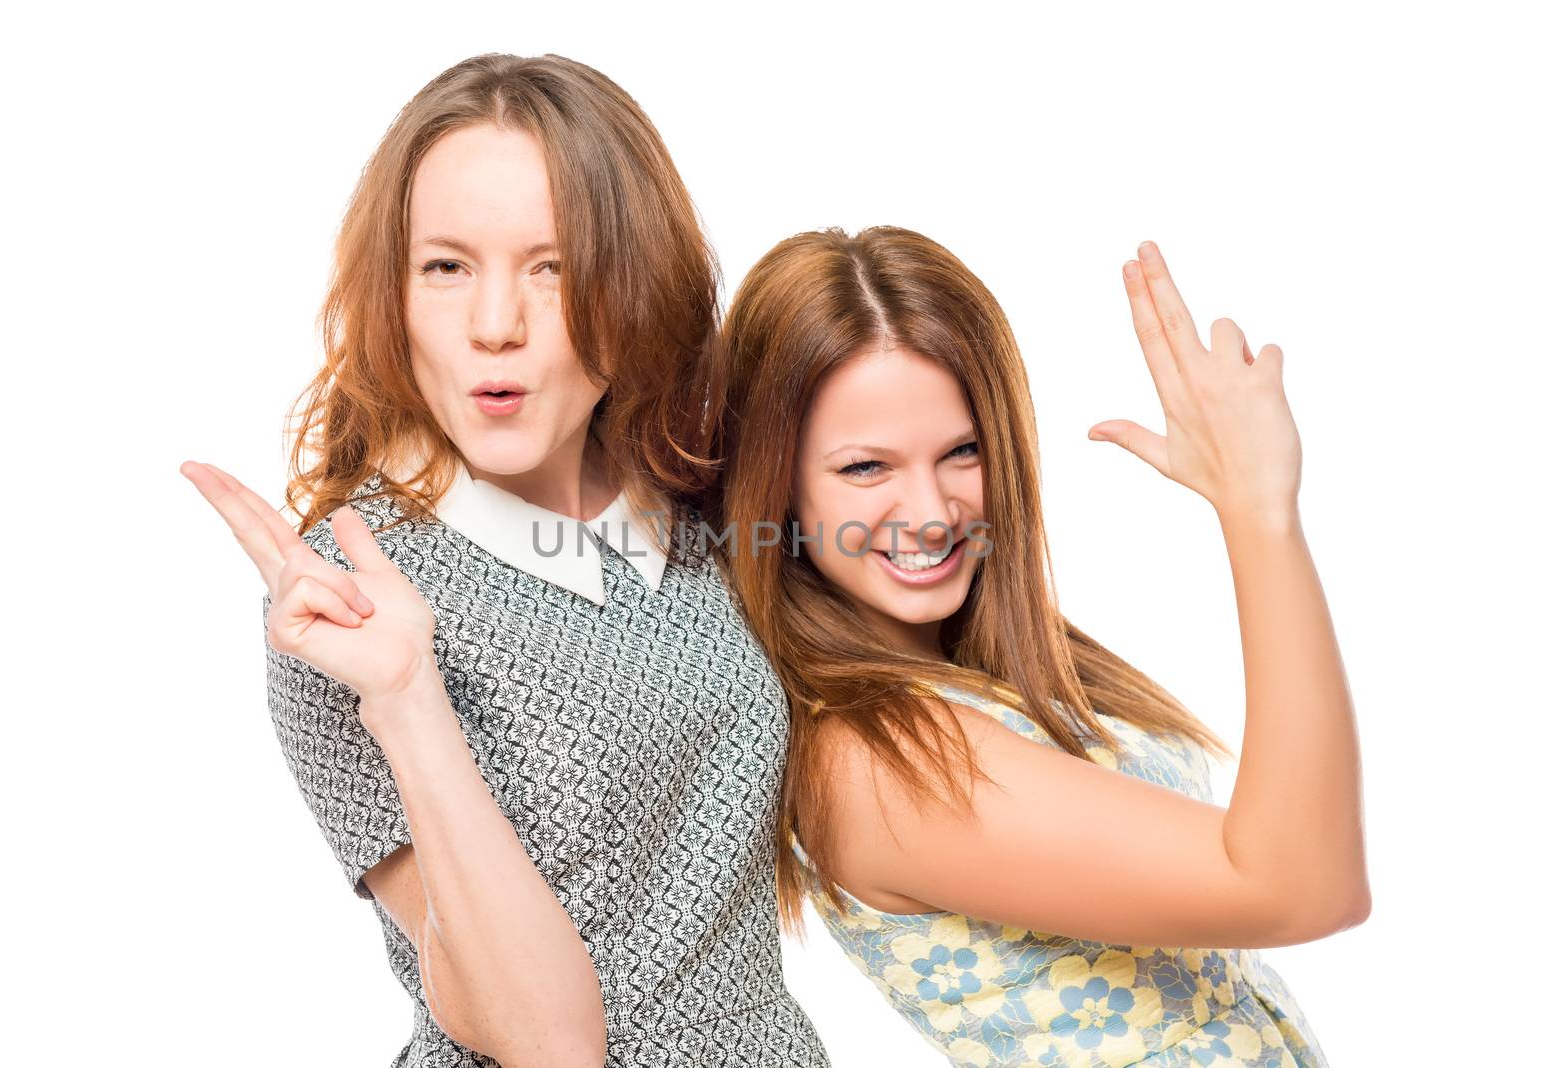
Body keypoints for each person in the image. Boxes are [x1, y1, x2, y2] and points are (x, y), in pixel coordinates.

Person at [180, 53, 830, 1068]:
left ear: (636, 285)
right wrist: (404, 696)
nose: (496, 327)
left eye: (555, 267)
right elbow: (545, 1043)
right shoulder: (347, 601)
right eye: (446, 266)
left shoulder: (704, 507)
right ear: (391, 293)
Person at [707, 226, 1369, 1066]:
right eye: (866, 468)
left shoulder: (982, 674)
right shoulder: (876, 762)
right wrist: (1258, 510)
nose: (933, 510)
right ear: (778, 484)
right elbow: (1304, 888)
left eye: (962, 451)